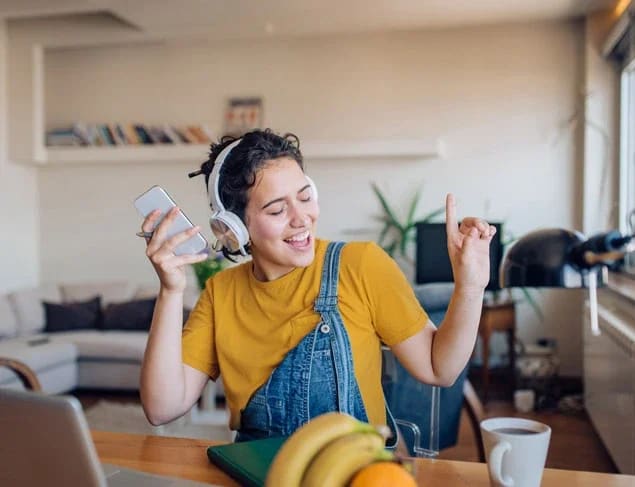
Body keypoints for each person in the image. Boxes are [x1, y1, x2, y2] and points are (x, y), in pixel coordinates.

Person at [139, 129, 496, 443]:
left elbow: (439, 369)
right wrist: (170, 290)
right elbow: (161, 408)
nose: (301, 218)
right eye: (277, 211)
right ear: (233, 227)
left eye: (305, 196)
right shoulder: (221, 294)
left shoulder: (361, 265)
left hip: (356, 473)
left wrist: (471, 286)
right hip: (258, 474)